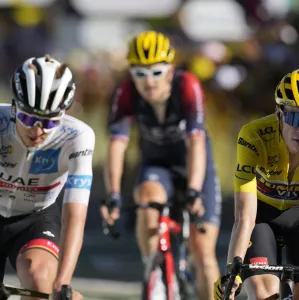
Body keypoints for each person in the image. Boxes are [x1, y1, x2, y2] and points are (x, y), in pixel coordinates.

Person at [0, 55, 94, 300]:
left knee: (41, 284)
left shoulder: (78, 137)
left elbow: (75, 215)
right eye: (28, 118)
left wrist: (63, 280)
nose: (37, 131)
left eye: (49, 122)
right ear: (14, 107)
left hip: (35, 219)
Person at [100, 30, 222, 300]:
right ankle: (154, 271)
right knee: (146, 198)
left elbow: (196, 143)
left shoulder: (187, 85)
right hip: (156, 164)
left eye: (156, 72)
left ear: (170, 70)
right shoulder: (126, 91)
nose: (148, 82)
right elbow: (116, 145)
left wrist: (194, 189)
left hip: (192, 162)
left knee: (203, 253)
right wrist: (113, 193)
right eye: (140, 74)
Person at [214, 69, 299, 300]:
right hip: (261, 214)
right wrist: (232, 269)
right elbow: (244, 215)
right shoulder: (253, 136)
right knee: (264, 294)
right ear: (278, 113)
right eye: (294, 117)